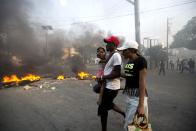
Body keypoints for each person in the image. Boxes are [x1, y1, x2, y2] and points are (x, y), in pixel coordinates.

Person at [117, 41, 149, 131]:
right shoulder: (129, 60)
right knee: (132, 125)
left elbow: (142, 82)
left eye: (124, 50)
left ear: (131, 50)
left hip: (137, 98)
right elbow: (129, 76)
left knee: (131, 125)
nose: (122, 52)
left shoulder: (141, 61)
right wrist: (117, 74)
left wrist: (141, 105)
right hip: (129, 95)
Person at [97, 35, 125, 131]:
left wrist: (102, 77)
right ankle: (124, 114)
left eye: (108, 43)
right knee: (107, 106)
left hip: (111, 88)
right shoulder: (111, 55)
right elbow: (108, 66)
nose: (106, 45)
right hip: (109, 86)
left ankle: (104, 129)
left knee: (103, 109)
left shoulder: (116, 55)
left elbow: (116, 73)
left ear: (113, 44)